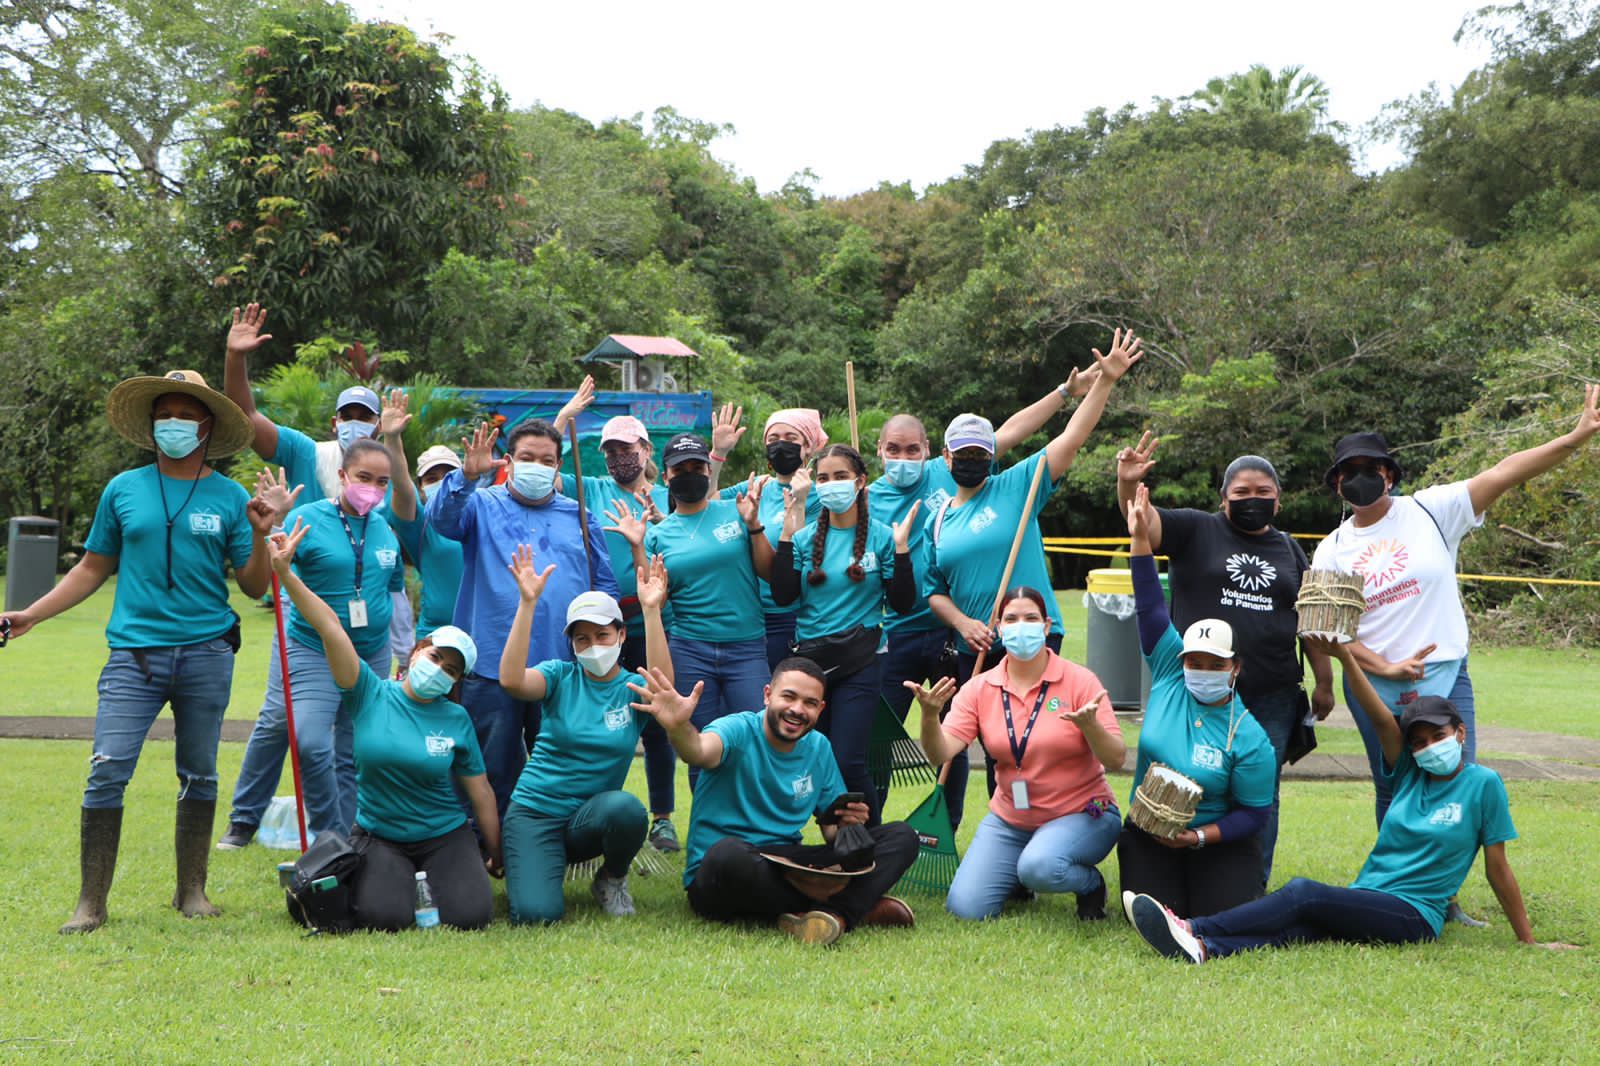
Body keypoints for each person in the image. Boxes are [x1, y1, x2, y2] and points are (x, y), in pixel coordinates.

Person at [0, 370, 277, 932]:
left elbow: (252, 586)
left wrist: (260, 532)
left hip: (206, 653)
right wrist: (31, 613)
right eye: (163, 413)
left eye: (184, 414)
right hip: (134, 657)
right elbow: (92, 568)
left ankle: (191, 891)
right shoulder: (123, 489)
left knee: (199, 773)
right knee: (107, 770)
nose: (172, 423)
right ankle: (91, 902)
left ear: (206, 425)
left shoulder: (228, 496)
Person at [1127, 637, 1578, 962]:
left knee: (1304, 892)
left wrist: (1528, 940)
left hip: (1414, 915)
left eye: (1437, 736)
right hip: (1370, 894)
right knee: (1301, 928)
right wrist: (1344, 655)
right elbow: (1382, 719)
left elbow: (1498, 867)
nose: (1427, 747)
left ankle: (1193, 927)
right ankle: (1206, 949)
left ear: (1460, 733)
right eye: (1418, 741)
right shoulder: (1409, 773)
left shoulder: (1484, 785)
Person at [1312, 386, 1600, 832]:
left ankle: (1444, 895)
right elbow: (1334, 636)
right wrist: (1385, 668)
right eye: (1348, 472)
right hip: (1374, 685)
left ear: (1389, 475)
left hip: (1445, 675)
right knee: (1394, 788)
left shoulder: (1431, 510)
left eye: (1371, 469)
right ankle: (1397, 891)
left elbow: (1505, 473)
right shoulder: (1331, 551)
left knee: (1456, 782)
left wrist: (1574, 438)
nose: (1359, 478)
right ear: (1336, 484)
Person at [925, 329, 1141, 827]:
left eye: (982, 453)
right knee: (987, 744)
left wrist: (1103, 384)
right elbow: (934, 589)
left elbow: (1071, 438)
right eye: (964, 454)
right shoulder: (939, 519)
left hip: (1029, 638)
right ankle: (1000, 831)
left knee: (1034, 742)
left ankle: (1051, 827)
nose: (973, 462)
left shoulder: (1015, 485)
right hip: (973, 644)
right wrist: (963, 624)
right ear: (946, 458)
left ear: (993, 456)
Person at [870, 367, 1102, 810]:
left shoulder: (979, 481)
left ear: (929, 453)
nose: (903, 457)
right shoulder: (868, 496)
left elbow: (1020, 430)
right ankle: (868, 830)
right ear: (880, 450)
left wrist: (1065, 391)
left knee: (999, 741)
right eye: (894, 449)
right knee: (881, 738)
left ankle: (1010, 823)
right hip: (904, 631)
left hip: (956, 637)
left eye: (911, 449)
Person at [1116, 440, 1334, 889]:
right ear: (1223, 499)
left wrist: (1325, 681)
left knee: (1260, 795)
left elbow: (1308, 620)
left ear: (1279, 497)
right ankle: (1170, 867)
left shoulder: (1291, 551)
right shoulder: (1197, 529)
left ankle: (1250, 882)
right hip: (1199, 689)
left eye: (1262, 491)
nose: (1252, 500)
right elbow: (1143, 524)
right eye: (1241, 493)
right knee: (1185, 779)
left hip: (1269, 693)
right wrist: (1128, 482)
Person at [267, 520, 500, 931]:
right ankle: (397, 883)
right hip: (380, 835)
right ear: (417, 651)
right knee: (382, 917)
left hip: (444, 833)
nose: (439, 670)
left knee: (472, 916)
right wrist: (286, 574)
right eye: (435, 657)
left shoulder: (455, 719)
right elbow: (329, 626)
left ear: (456, 682)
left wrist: (494, 849)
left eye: (451, 670)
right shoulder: (368, 693)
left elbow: (479, 791)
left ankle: (433, 880)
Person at [629, 657, 920, 946]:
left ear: (820, 709)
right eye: (789, 697)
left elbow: (832, 832)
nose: (797, 709)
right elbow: (698, 751)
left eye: (809, 703)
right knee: (727, 855)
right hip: (726, 871)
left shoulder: (818, 747)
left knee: (902, 836)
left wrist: (847, 825)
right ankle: (855, 906)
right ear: (768, 695)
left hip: (786, 862)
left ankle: (830, 916)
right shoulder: (737, 729)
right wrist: (679, 728)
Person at [220, 438, 406, 848]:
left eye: (381, 481)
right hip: (312, 648)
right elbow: (276, 555)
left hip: (370, 653)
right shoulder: (309, 517)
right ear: (342, 476)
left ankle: (351, 833)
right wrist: (276, 525)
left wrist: (404, 650)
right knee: (307, 738)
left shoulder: (385, 530)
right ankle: (326, 832)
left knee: (355, 747)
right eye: (363, 478)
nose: (371, 488)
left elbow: (394, 592)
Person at [426, 418, 617, 816]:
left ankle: (553, 848)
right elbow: (440, 518)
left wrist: (603, 649)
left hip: (561, 670)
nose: (537, 466)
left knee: (560, 770)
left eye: (547, 460)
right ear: (509, 461)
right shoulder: (480, 505)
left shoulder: (580, 517)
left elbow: (604, 590)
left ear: (558, 467)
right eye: (527, 457)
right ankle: (484, 850)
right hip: (492, 668)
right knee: (490, 768)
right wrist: (466, 475)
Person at [912, 586, 1126, 921]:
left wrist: (1090, 726)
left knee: (1038, 866)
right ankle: (1021, 866)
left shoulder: (1079, 680)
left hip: (1082, 812)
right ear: (998, 627)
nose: (1020, 626)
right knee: (966, 908)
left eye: (1030, 618)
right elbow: (941, 754)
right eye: (1011, 619)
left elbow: (1115, 759)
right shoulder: (979, 688)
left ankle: (1089, 884)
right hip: (1012, 818)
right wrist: (928, 717)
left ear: (1046, 626)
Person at [221, 303, 414, 664]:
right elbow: (246, 418)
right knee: (285, 710)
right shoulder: (305, 453)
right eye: (347, 416)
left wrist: (394, 440)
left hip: (365, 622)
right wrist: (235, 358)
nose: (354, 423)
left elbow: (407, 505)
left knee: (357, 711)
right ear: (334, 422)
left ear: (377, 426)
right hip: (303, 608)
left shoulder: (388, 474)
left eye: (364, 418)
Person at [1117, 484, 1276, 918]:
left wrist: (1199, 837)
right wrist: (1139, 540)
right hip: (1149, 829)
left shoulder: (1250, 737)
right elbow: (1151, 609)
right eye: (1195, 661)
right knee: (1154, 910)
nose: (1200, 670)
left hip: (1213, 837)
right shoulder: (1170, 671)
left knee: (1218, 917)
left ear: (1234, 668)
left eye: (1214, 663)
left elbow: (1255, 813)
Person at [497, 552, 672, 923]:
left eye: (602, 635)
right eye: (582, 638)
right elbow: (512, 680)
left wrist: (652, 610)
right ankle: (538, 865)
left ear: (622, 635)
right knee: (536, 916)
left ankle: (611, 878)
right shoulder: (559, 676)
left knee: (626, 810)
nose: (592, 645)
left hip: (589, 819)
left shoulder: (632, 688)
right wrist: (527, 604)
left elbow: (663, 688)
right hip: (535, 813)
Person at [549, 378, 682, 853]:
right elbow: (550, 471)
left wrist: (660, 527)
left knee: (659, 714)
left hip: (656, 620)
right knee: (597, 717)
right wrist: (564, 419)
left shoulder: (669, 496)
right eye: (609, 451)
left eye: (626, 449)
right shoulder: (594, 487)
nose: (617, 459)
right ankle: (587, 810)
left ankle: (662, 817)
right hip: (602, 624)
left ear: (647, 449)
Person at [768, 444, 918, 826]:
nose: (830, 485)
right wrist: (786, 537)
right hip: (811, 667)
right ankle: (835, 838)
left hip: (862, 662)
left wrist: (901, 553)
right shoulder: (802, 539)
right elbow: (784, 596)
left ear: (860, 482)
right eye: (822, 478)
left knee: (849, 758)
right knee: (812, 756)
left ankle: (871, 844)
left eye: (839, 477)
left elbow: (902, 603)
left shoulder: (883, 536)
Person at [622, 433, 771, 790]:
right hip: (691, 650)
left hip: (746, 646)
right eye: (681, 469)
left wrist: (753, 526)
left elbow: (767, 570)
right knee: (696, 743)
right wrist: (637, 545)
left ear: (709, 469)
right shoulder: (661, 534)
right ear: (668, 477)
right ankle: (708, 835)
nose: (690, 474)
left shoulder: (735, 512)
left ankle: (755, 831)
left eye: (697, 467)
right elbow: (654, 594)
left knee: (755, 736)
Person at [713, 406, 826, 670]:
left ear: (808, 447)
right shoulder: (755, 487)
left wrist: (798, 501)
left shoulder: (820, 496)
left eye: (790, 438)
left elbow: (794, 558)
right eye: (773, 440)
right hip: (750, 615)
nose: (780, 446)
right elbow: (706, 502)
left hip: (795, 615)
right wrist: (719, 453)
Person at [377, 387, 464, 646]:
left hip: (483, 631)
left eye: (449, 476)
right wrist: (392, 439)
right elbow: (401, 485)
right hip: (435, 636)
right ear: (422, 487)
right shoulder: (421, 524)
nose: (441, 483)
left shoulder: (484, 515)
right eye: (431, 478)